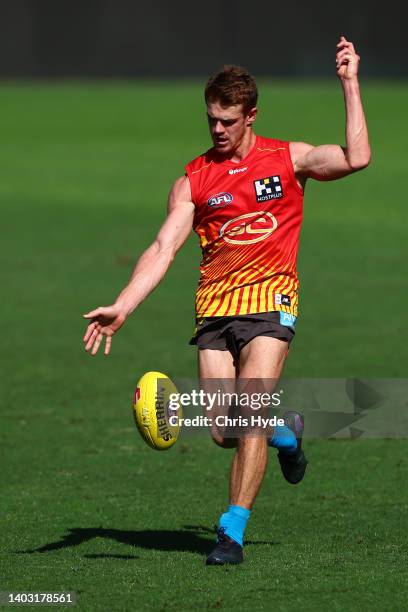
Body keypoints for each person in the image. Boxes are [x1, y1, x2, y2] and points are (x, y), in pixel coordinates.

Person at [82, 36, 370, 565]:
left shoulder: (289, 158)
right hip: (214, 310)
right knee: (223, 429)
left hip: (271, 300)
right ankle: (290, 433)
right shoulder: (193, 179)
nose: (217, 128)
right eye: (211, 118)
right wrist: (123, 304)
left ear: (250, 116)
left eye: (227, 120)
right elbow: (164, 246)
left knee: (251, 413)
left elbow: (357, 157)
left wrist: (350, 83)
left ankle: (230, 532)